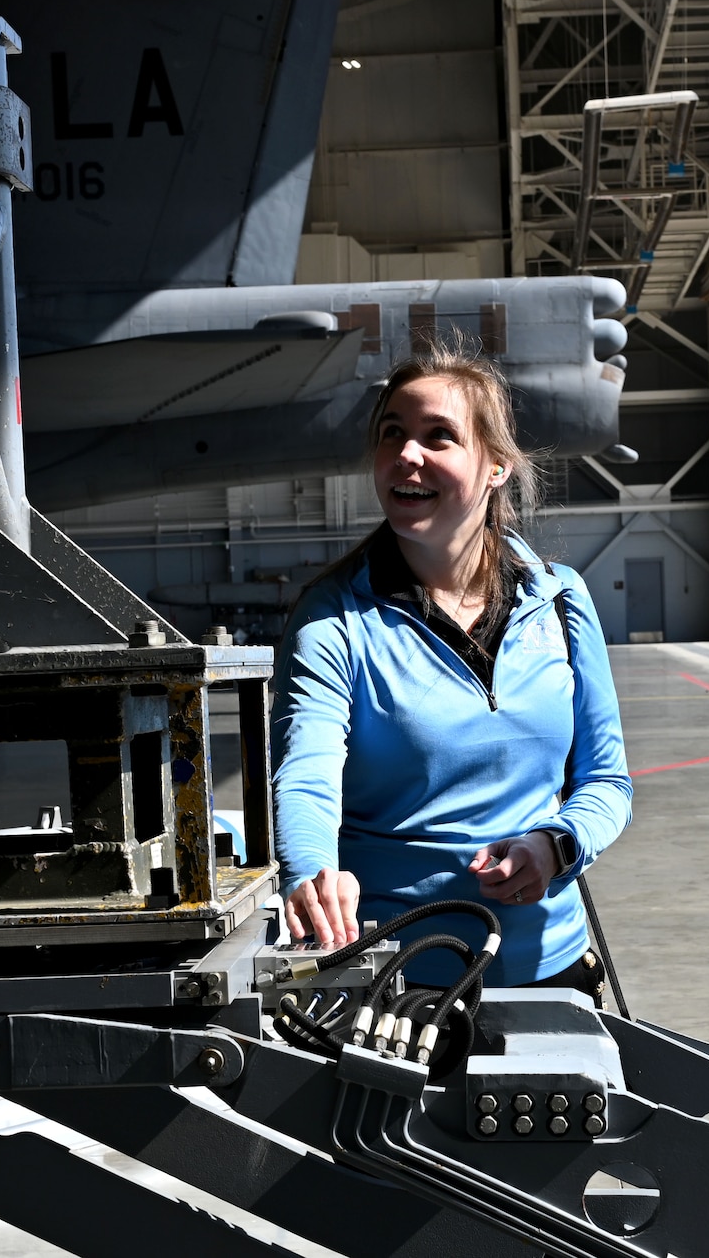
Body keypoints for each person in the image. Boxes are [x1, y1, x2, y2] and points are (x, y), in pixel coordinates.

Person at [270, 345, 633, 1001]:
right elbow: (307, 771)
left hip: (552, 972)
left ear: (496, 465)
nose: (408, 454)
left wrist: (556, 846)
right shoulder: (334, 616)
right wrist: (313, 869)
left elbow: (605, 780)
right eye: (392, 435)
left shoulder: (561, 599)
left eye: (438, 436)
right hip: (394, 981)